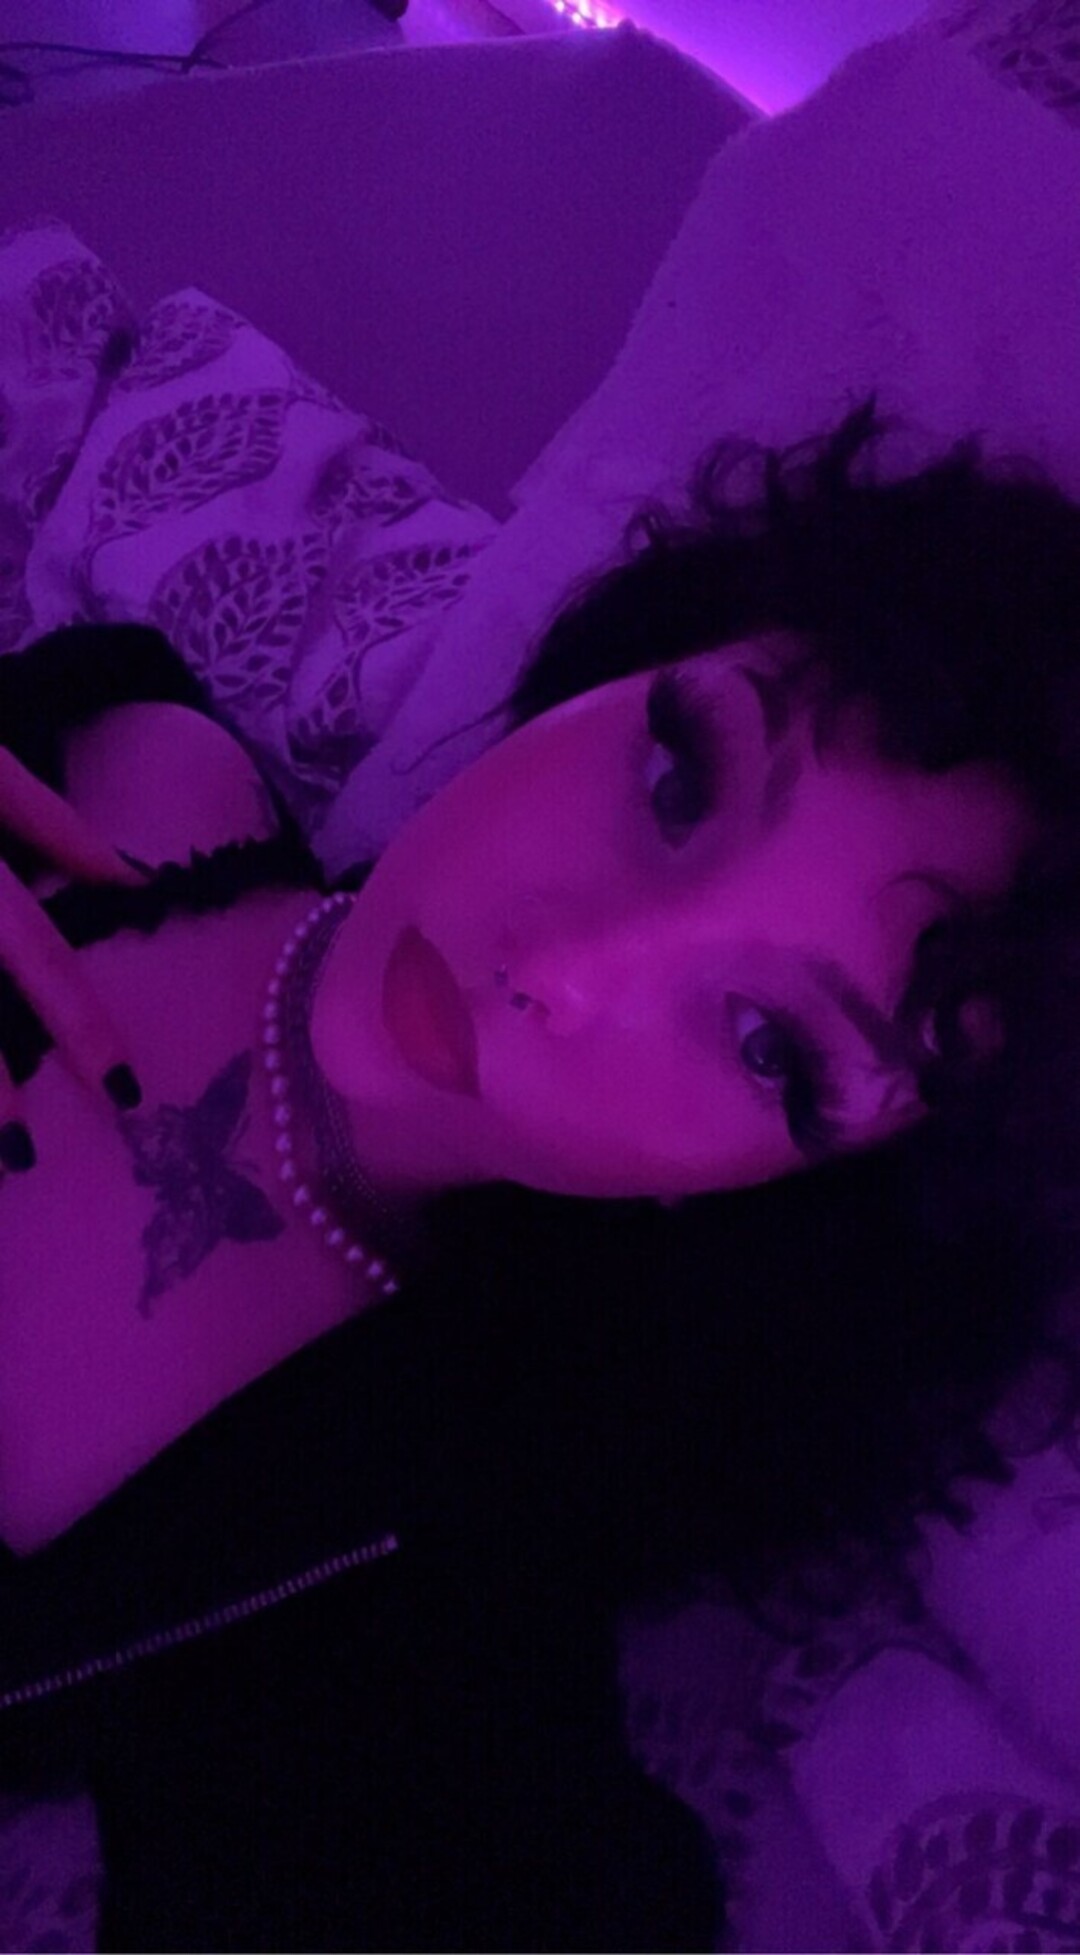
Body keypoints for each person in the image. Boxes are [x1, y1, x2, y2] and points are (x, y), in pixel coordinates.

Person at [0, 389, 1077, 1951]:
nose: (560, 970)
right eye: (678, 777)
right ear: (625, 667)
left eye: (770, 1048)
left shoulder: (402, 1586)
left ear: (790, 1195)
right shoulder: (136, 740)